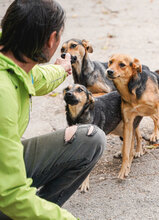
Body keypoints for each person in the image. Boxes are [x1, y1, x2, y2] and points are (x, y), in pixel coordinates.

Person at [0, 0, 106, 219]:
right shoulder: (3, 92)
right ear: (52, 39)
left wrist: (61, 70)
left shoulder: (10, 62)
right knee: (14, 199)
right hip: (5, 189)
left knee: (90, 140)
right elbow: (8, 193)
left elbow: (34, 78)